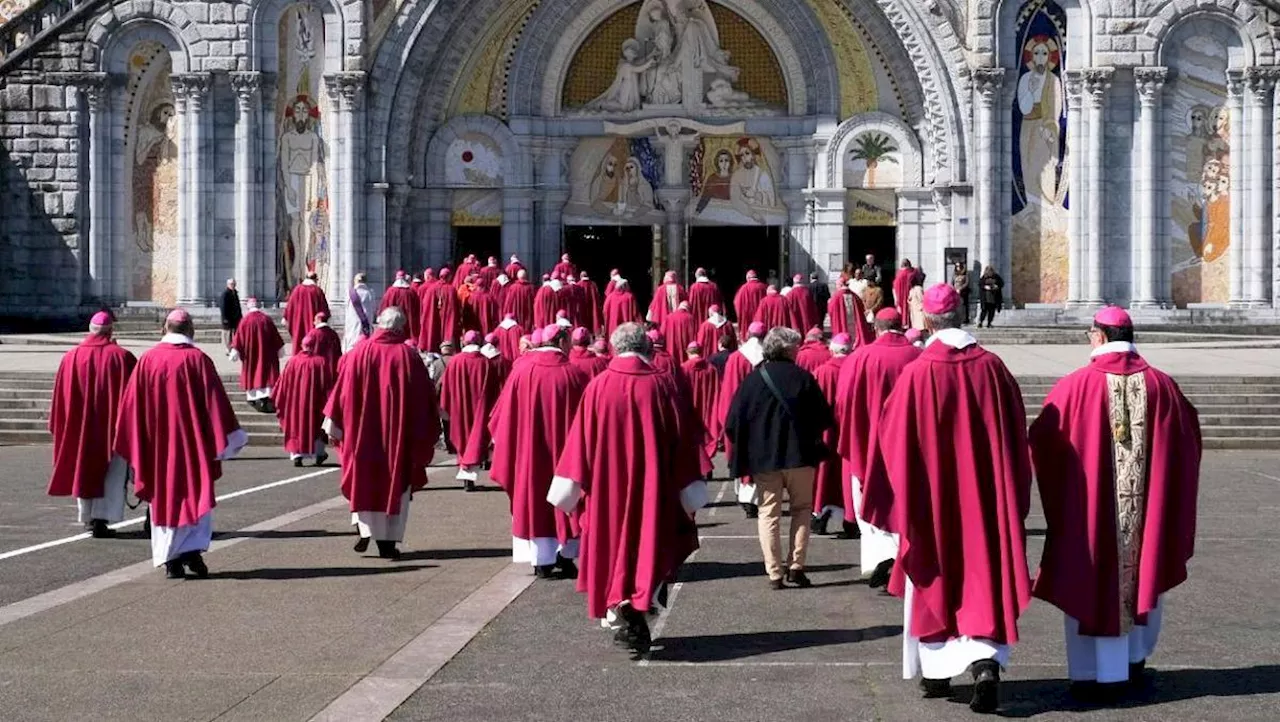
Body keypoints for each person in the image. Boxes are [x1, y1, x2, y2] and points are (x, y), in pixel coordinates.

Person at [861, 284, 1031, 714]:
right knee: (981, 575)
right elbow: (1014, 435)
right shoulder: (993, 368)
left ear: (930, 321)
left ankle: (937, 674)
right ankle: (984, 663)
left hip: (932, 505)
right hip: (984, 503)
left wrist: (896, 495)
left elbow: (891, 439)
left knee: (935, 576)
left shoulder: (918, 373)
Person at [1028, 307, 1202, 702]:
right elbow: (1188, 444)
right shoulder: (1162, 386)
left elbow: (1041, 441)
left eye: (1090, 333)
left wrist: (1070, 494)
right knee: (1143, 568)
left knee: (1087, 575)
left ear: (1100, 337)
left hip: (1089, 519)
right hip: (1144, 520)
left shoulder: (1073, 386)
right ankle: (1133, 660)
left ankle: (1087, 674)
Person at [549, 323, 708, 657]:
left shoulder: (598, 386)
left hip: (608, 491)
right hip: (656, 488)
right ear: (647, 348)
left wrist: (570, 487)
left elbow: (580, 443)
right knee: (650, 546)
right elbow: (682, 441)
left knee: (611, 551)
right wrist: (690, 485)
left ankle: (627, 616)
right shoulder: (662, 385)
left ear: (615, 348)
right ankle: (636, 613)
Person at [114, 309, 246, 579]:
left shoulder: (148, 360)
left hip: (157, 448)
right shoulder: (198, 360)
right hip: (192, 447)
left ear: (165, 329)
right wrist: (230, 438)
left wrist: (134, 442)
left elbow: (130, 407)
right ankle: (191, 552)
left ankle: (170, 558)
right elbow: (215, 404)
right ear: (191, 330)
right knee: (193, 495)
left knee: (162, 499)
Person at [323, 307, 441, 559]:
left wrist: (334, 425)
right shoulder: (409, 357)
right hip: (398, 438)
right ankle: (387, 543)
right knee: (395, 485)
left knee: (364, 481)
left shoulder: (359, 353)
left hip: (362, 435)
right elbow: (424, 400)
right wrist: (427, 430)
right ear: (400, 328)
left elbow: (342, 393)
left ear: (380, 324)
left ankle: (365, 529)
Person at [724, 327, 835, 589]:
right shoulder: (803, 378)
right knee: (801, 511)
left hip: (765, 459)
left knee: (768, 514)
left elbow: (732, 422)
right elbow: (823, 418)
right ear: (788, 349)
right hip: (800, 456)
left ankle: (774, 571)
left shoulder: (752, 381)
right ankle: (796, 565)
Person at [489, 323, 592, 579]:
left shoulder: (522, 371)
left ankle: (540, 560)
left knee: (532, 497)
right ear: (561, 342)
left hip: (529, 454)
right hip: (565, 455)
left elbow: (501, 417)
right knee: (567, 498)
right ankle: (565, 555)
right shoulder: (574, 374)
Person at [834, 307, 921, 579]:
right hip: (909, 444)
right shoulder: (919, 356)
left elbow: (843, 403)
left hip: (868, 441)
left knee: (868, 497)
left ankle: (881, 557)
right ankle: (905, 556)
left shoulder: (861, 357)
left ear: (877, 328)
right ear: (901, 325)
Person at [47, 312, 137, 538]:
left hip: (79, 429)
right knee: (113, 474)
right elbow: (135, 396)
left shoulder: (71, 357)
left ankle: (87, 517)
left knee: (83, 469)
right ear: (111, 331)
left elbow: (61, 398)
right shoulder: (122, 357)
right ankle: (102, 518)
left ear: (90, 329)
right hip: (112, 431)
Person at [439, 330, 502, 491]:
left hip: (459, 409)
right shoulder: (485, 363)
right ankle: (469, 477)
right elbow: (494, 390)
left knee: (462, 440)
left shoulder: (455, 361)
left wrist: (446, 406)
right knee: (475, 440)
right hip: (480, 411)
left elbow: (446, 387)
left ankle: (467, 477)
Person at [718, 321, 765, 517]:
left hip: (740, 414)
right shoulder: (768, 357)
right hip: (761, 414)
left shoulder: (736, 358)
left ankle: (745, 497)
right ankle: (754, 498)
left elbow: (728, 391)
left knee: (741, 453)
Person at [274, 331, 335, 467]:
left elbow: (282, 384)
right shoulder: (321, 362)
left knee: (296, 426)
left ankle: (297, 455)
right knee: (316, 427)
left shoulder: (292, 362)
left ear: (302, 345)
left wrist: (278, 397)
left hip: (295, 404)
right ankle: (319, 453)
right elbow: (327, 385)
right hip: (315, 403)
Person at [809, 333, 849, 536]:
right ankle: (851, 519)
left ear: (832, 350)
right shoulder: (856, 367)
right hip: (850, 430)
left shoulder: (822, 372)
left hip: (827, 431)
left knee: (825, 473)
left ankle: (820, 514)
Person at [229, 298, 285, 413]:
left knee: (253, 373)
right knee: (266, 374)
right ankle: (265, 398)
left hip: (251, 357)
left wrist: (234, 353)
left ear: (248, 307)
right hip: (267, 357)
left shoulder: (244, 321)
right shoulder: (266, 319)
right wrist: (281, 351)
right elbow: (276, 338)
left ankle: (253, 399)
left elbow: (238, 340)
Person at [681, 342, 720, 468]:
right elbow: (717, 389)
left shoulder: (683, 368)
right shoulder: (711, 368)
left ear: (688, 352)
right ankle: (707, 465)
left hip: (690, 407)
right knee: (707, 435)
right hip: (707, 406)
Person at [283, 271, 330, 355]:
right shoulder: (317, 291)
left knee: (298, 344)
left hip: (298, 325)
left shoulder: (297, 290)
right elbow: (324, 310)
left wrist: (288, 319)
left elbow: (289, 308)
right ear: (315, 279)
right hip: (313, 325)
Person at [421, 267, 461, 353]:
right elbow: (455, 309)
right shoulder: (451, 290)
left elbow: (425, 307)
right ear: (449, 276)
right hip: (446, 318)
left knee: (433, 327)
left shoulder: (431, 289)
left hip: (434, 318)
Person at [380, 270, 422, 342]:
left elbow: (384, 305)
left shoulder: (390, 291)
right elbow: (417, 308)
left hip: (392, 322)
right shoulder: (410, 292)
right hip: (407, 321)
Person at [829, 279, 873, 347]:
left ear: (840, 285)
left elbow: (831, 309)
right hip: (854, 326)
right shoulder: (854, 295)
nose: (836, 287)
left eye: (836, 285)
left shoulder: (836, 296)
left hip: (843, 323)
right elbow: (861, 307)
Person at [344, 273, 376, 352]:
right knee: (364, 341)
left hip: (352, 322)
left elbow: (346, 306)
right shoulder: (370, 293)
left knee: (352, 341)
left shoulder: (349, 293)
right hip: (366, 322)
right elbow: (373, 308)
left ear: (355, 281)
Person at [733, 270, 768, 337]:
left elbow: (737, 302)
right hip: (761, 317)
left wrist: (741, 314)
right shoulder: (764, 287)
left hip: (747, 317)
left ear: (748, 278)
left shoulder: (743, 288)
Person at [219, 278, 242, 353]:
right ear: (228, 284)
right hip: (228, 318)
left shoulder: (235, 293)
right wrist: (225, 318)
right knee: (227, 334)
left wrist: (240, 316)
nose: (233, 285)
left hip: (235, 318)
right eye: (231, 284)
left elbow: (238, 306)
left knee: (235, 333)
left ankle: (234, 347)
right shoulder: (225, 294)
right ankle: (229, 349)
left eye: (234, 284)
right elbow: (223, 307)